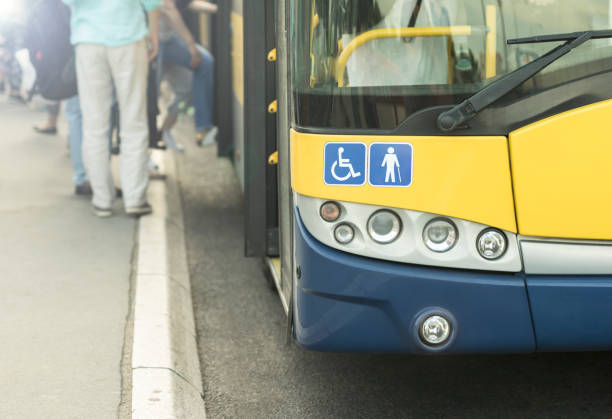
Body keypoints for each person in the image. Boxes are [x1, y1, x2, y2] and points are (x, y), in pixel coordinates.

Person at [62, 0, 161, 217]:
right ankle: (135, 198)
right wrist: (153, 33)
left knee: (94, 123)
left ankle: (102, 199)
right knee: (133, 120)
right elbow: (152, 2)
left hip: (88, 39)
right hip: (129, 36)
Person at [158, 0, 217, 146]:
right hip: (153, 42)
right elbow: (168, 9)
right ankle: (203, 128)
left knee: (187, 88)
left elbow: (187, 3)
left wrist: (217, 9)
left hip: (167, 39)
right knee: (205, 62)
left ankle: (164, 132)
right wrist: (190, 45)